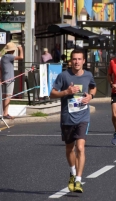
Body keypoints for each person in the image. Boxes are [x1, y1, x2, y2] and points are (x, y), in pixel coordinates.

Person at [50, 49, 96, 193]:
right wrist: (66, 92)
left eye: (79, 59)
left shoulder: (88, 75)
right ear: (71, 61)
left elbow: (93, 87)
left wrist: (90, 97)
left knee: (81, 148)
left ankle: (78, 180)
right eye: (74, 59)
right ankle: (72, 172)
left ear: (83, 61)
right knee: (70, 148)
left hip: (83, 117)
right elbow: (52, 94)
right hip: (67, 117)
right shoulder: (63, 76)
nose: (76, 62)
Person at [0, 42, 23, 119]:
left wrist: (1, 77)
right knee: (8, 96)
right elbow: (21, 57)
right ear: (12, 50)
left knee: (5, 96)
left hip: (5, 78)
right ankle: (5, 114)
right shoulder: (9, 56)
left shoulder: (3, 57)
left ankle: (3, 113)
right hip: (9, 79)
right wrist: (21, 49)